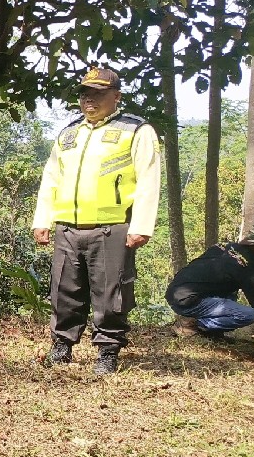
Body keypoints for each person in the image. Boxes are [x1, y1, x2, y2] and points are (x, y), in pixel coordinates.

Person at [32, 67, 161, 375]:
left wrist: (141, 226)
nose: (89, 100)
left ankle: (108, 351)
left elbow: (148, 179)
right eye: (85, 94)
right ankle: (62, 344)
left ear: (116, 97)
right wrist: (42, 219)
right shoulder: (69, 133)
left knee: (110, 293)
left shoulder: (136, 130)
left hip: (111, 227)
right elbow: (51, 178)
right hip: (67, 228)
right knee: (64, 290)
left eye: (98, 94)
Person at [166, 240, 254, 338]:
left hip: (174, 292)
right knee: (248, 315)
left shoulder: (223, 246)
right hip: (188, 301)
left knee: (231, 290)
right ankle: (193, 324)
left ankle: (214, 331)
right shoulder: (248, 266)